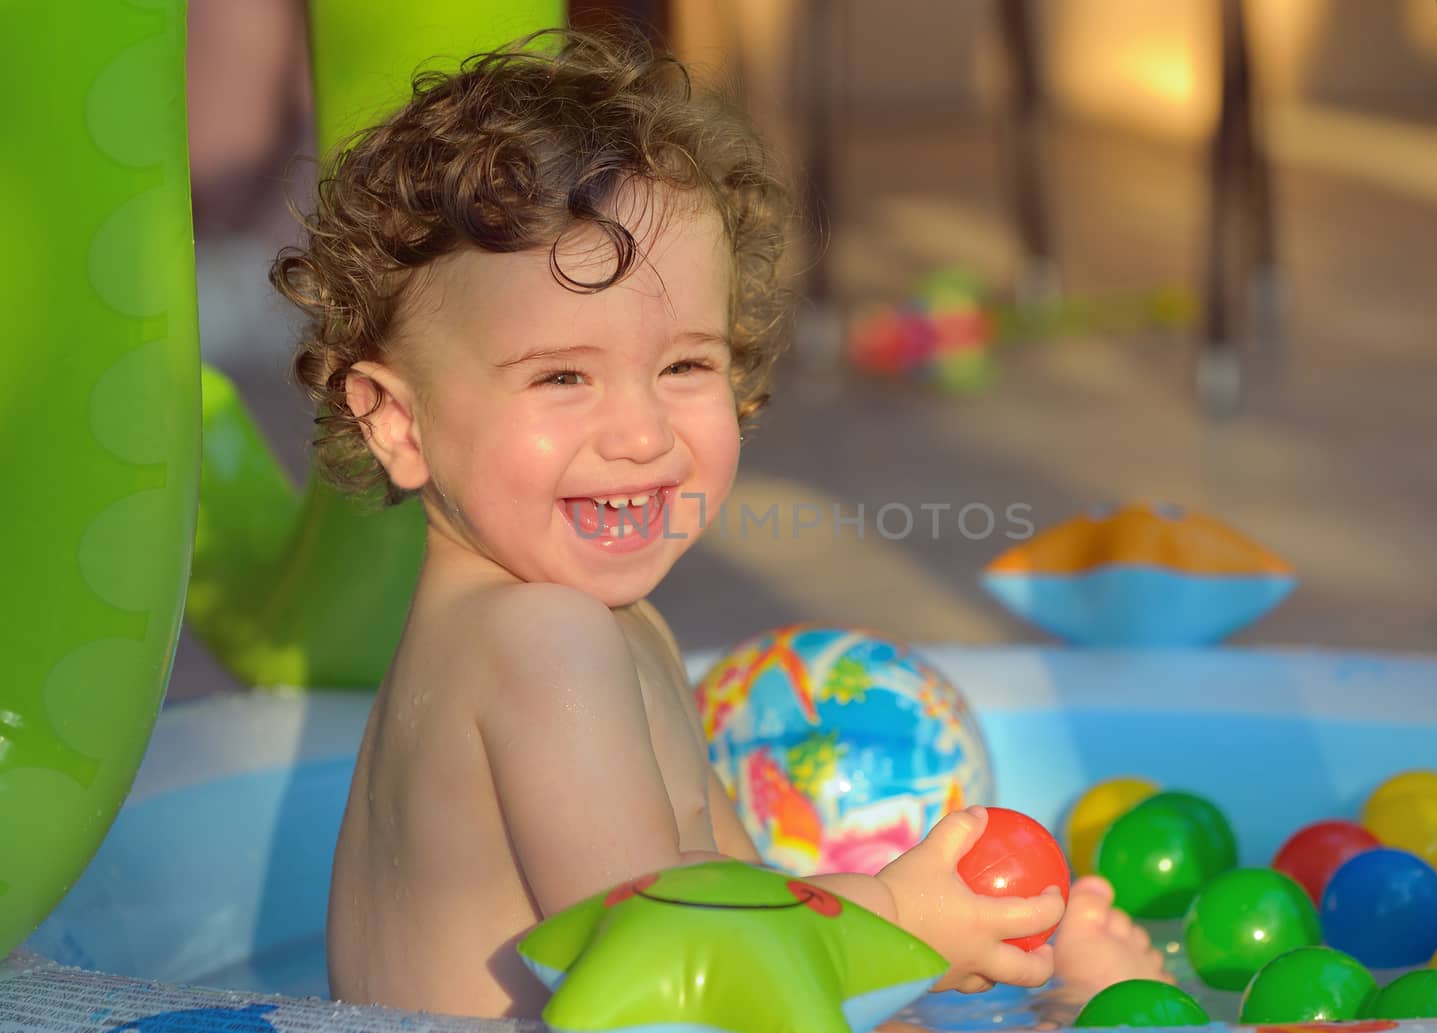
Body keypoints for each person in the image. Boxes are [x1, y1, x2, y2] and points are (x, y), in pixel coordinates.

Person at [271, 27, 1171, 1020]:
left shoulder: (604, 632)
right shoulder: (542, 642)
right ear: (397, 420)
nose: (640, 431)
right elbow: (674, 974)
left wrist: (902, 961)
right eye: (562, 375)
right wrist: (901, 917)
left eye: (684, 364)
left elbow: (733, 898)